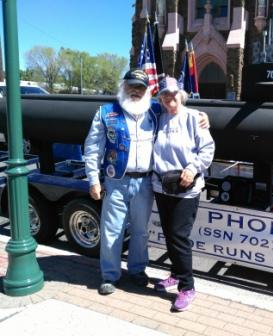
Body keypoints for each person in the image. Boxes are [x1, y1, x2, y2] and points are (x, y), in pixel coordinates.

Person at [84, 70, 209, 295]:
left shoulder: (155, 110)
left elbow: (180, 109)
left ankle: (137, 270)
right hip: (116, 181)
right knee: (112, 230)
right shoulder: (105, 113)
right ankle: (110, 275)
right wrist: (93, 179)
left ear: (148, 91)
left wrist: (202, 115)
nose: (135, 90)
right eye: (131, 85)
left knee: (141, 231)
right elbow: (93, 148)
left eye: (140, 87)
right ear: (123, 86)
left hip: (145, 182)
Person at [152, 77, 215, 311]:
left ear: (182, 95)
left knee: (179, 237)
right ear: (160, 98)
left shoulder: (194, 117)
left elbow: (208, 148)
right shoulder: (158, 118)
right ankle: (176, 274)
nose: (170, 98)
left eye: (174, 93)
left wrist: (192, 168)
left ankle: (187, 287)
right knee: (169, 234)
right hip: (161, 186)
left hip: (186, 187)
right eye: (165, 95)